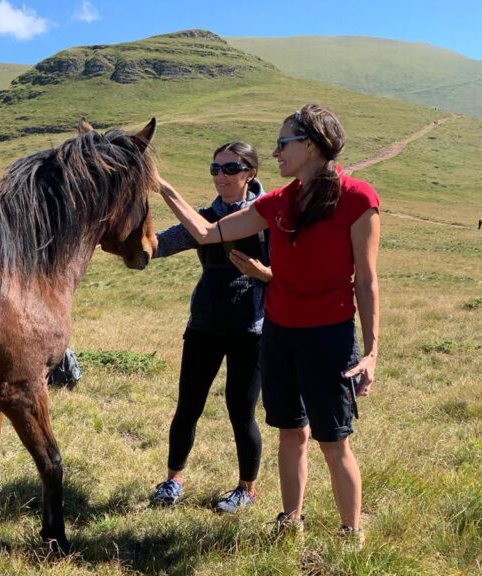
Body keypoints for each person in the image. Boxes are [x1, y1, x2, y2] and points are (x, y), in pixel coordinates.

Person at [156, 104, 380, 546]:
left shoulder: (358, 199)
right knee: (291, 431)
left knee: (333, 441)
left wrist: (371, 350)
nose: (275, 153)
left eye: (283, 144)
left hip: (329, 336)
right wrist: (162, 187)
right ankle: (289, 519)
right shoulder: (277, 201)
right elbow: (206, 232)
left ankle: (351, 536)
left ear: (311, 145)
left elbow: (367, 280)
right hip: (277, 334)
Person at [149, 141, 271, 513]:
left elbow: (292, 274)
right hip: (203, 326)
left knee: (241, 409)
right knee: (187, 406)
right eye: (215, 169)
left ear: (250, 172)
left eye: (230, 169)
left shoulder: (268, 217)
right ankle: (172, 481)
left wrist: (261, 273)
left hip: (250, 329)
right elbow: (158, 246)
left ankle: (246, 490)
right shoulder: (203, 217)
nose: (221, 176)